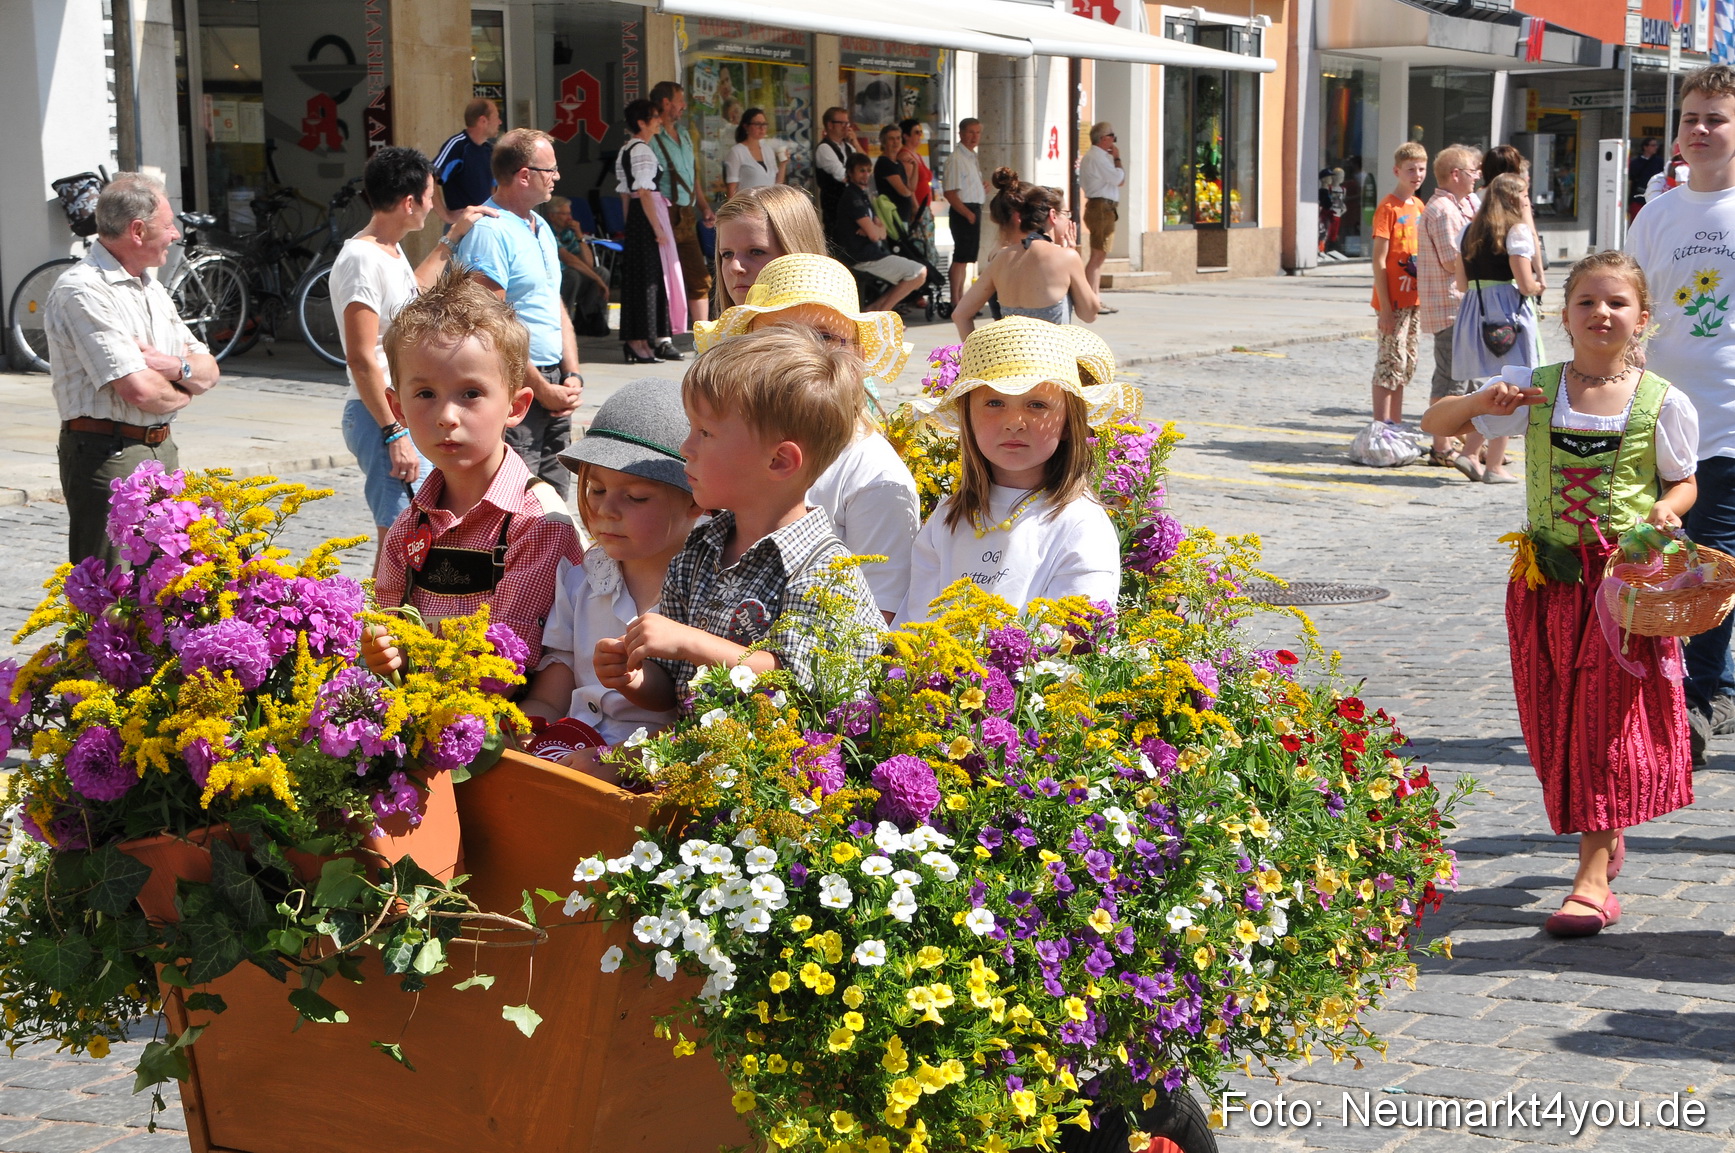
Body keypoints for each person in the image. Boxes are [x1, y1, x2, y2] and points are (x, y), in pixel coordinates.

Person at [1420, 251, 1697, 935]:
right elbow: (1435, 425)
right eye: (1586, 302)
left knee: (1602, 727)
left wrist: (1669, 510)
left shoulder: (1661, 401)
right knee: (1553, 729)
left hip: (1619, 590)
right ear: (1564, 313)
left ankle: (1592, 878)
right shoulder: (1532, 387)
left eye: (1616, 304)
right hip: (1545, 583)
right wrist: (1482, 400)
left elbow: (1682, 480)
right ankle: (1604, 832)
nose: (1601, 314)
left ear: (1641, 319)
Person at [594, 326, 885, 709]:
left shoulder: (823, 572)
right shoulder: (698, 550)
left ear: (779, 461)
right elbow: (673, 692)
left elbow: (804, 688)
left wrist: (691, 643)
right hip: (707, 757)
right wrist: (633, 678)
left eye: (706, 433)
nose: (686, 448)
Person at [362, 267, 584, 674]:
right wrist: (380, 652)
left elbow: (508, 663)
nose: (447, 416)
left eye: (471, 394)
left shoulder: (536, 522)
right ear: (398, 409)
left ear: (516, 407)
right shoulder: (410, 524)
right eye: (425, 394)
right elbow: (387, 615)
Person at [694, 253, 920, 618]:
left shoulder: (874, 475)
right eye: (777, 337)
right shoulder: (732, 443)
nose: (801, 354)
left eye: (825, 336)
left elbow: (876, 619)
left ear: (857, 355)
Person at [1628, 63, 1735, 759]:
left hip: (1730, 420)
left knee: (1715, 556)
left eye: (1715, 119)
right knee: (1667, 558)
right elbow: (1632, 305)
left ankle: (1702, 695)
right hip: (1664, 422)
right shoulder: (1657, 213)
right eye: (1691, 118)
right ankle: (1685, 686)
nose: (1699, 129)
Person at [897, 317, 1139, 624]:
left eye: (1036, 405)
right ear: (967, 419)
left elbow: (1075, 642)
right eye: (995, 402)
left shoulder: (1080, 523)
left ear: (1068, 424)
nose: (1014, 422)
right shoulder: (949, 516)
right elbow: (916, 622)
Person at [521, 379, 704, 782]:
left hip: (654, 772)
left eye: (636, 497)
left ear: (695, 499)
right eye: (596, 489)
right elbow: (560, 674)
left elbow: (701, 722)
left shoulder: (707, 594)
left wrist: (620, 760)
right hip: (571, 748)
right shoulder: (582, 578)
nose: (606, 510)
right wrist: (530, 724)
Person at [45, 172, 220, 564]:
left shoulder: (151, 288)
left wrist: (171, 365)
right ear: (137, 230)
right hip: (110, 454)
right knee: (113, 593)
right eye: (169, 224)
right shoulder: (83, 289)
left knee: (166, 588)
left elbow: (209, 369)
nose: (176, 234)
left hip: (162, 448)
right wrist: (183, 389)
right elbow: (139, 391)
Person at [333, 146, 495, 544]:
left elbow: (411, 297)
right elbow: (361, 356)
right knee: (399, 540)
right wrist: (393, 433)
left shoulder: (389, 250)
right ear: (409, 202)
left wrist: (452, 239)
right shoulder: (361, 259)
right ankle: (379, 609)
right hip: (379, 416)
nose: (433, 204)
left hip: (398, 410)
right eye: (429, 195)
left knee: (413, 537)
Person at [455, 127, 584, 496]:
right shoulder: (490, 231)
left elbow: (554, 300)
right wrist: (540, 388)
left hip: (552, 379)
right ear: (524, 174)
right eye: (550, 170)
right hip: (517, 384)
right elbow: (490, 325)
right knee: (515, 499)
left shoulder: (539, 224)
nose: (557, 177)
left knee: (554, 502)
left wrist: (571, 373)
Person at [1452, 172, 1546, 484]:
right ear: (1514, 198)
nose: (1527, 202)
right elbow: (1524, 282)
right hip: (1507, 311)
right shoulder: (1516, 231)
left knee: (1494, 385)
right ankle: (1491, 464)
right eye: (1524, 196)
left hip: (1475, 310)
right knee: (1513, 385)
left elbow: (1462, 283)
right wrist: (1538, 284)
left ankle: (1473, 454)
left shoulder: (1468, 230)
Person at [952, 168, 1098, 336]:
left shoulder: (1001, 257)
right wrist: (1073, 261)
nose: (1068, 219)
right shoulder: (1066, 257)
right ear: (1052, 215)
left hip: (1011, 360)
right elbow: (1089, 314)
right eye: (1065, 213)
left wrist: (976, 357)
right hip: (1052, 360)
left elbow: (960, 314)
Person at [1417, 144, 1486, 479]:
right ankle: (1441, 445)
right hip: (1450, 306)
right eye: (1473, 171)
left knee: (1467, 377)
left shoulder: (1457, 205)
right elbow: (1449, 259)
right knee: (1450, 379)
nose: (1477, 177)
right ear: (1455, 175)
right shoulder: (1443, 209)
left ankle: (1463, 442)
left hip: (1460, 304)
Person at [615, 99, 680, 366]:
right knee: (650, 279)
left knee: (640, 279)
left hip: (638, 219)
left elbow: (625, 194)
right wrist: (657, 229)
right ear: (641, 122)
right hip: (648, 215)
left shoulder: (627, 149)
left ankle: (639, 341)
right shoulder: (641, 149)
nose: (658, 121)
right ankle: (639, 341)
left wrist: (630, 223)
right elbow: (643, 191)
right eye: (653, 117)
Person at [1368, 142, 1428, 431]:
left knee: (1406, 363)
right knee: (1389, 361)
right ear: (1397, 171)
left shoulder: (1419, 206)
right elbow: (1379, 260)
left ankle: (1397, 423)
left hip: (1415, 299)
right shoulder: (1388, 208)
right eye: (1410, 169)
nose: (1417, 174)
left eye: (1421, 169)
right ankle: (1381, 425)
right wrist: (1385, 307)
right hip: (1393, 300)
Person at [649, 80, 716, 332]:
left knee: (699, 274)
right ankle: (665, 332)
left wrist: (704, 206)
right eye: (680, 100)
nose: (684, 106)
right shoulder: (653, 138)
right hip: (664, 212)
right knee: (665, 276)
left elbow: (693, 175)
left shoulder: (685, 135)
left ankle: (703, 332)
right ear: (666, 103)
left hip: (686, 214)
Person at [831, 153, 928, 312]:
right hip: (864, 257)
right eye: (861, 170)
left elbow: (882, 230)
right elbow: (876, 235)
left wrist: (874, 229)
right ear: (850, 172)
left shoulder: (863, 195)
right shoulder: (852, 197)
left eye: (868, 170)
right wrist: (875, 230)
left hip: (874, 253)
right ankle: (882, 312)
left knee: (918, 272)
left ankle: (877, 309)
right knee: (919, 273)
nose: (866, 174)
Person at [713, 184, 828, 313]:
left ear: (796, 253)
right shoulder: (717, 332)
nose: (735, 267)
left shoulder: (832, 331)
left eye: (756, 252)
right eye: (727, 254)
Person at [543, 195, 611, 338]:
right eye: (565, 214)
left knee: (601, 271)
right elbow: (569, 260)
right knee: (572, 275)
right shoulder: (547, 231)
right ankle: (565, 320)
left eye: (570, 213)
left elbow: (588, 264)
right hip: (553, 281)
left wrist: (580, 236)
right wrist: (597, 280)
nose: (570, 217)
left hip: (571, 279)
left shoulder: (569, 232)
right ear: (552, 216)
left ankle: (588, 316)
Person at [1078, 122, 1124, 314]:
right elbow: (1119, 179)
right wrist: (1118, 159)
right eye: (1112, 136)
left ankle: (1095, 298)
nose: (1114, 140)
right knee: (1098, 255)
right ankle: (1092, 299)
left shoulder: (1096, 157)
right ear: (1103, 138)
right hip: (1101, 208)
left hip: (1103, 207)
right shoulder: (1098, 157)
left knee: (1100, 254)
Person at [433, 97, 501, 224]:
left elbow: (493, 189)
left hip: (487, 226)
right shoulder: (458, 146)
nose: (500, 122)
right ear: (483, 121)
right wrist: (446, 216)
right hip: (462, 227)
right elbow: (429, 177)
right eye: (496, 117)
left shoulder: (490, 151)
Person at [943, 118, 987, 312]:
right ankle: (955, 298)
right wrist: (967, 213)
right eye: (970, 132)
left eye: (977, 132)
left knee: (966, 257)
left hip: (973, 208)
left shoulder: (971, 157)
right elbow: (950, 192)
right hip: (964, 210)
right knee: (960, 256)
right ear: (961, 133)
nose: (974, 137)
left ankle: (960, 296)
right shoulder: (956, 158)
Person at [814, 106, 872, 225]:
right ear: (830, 125)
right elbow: (843, 176)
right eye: (842, 123)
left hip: (853, 206)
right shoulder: (824, 148)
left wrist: (855, 142)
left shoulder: (848, 147)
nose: (847, 127)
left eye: (847, 123)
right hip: (836, 209)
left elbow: (866, 165)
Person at [724, 107, 789, 197]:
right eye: (757, 124)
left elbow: (777, 185)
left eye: (764, 124)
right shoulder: (737, 152)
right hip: (748, 206)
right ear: (746, 126)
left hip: (768, 205)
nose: (762, 128)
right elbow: (732, 187)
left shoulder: (768, 150)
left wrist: (783, 164)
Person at [874, 125, 915, 224]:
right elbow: (904, 191)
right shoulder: (885, 163)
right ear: (883, 142)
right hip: (893, 218)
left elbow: (912, 188)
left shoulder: (898, 163)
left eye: (898, 138)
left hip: (903, 217)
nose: (896, 142)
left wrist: (915, 166)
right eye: (891, 139)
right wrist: (909, 192)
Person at [1629, 137, 1665, 218]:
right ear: (1645, 147)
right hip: (1637, 198)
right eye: (1653, 145)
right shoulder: (1635, 162)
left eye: (1656, 145)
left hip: (1654, 198)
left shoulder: (1660, 162)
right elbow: (1630, 181)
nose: (1656, 147)